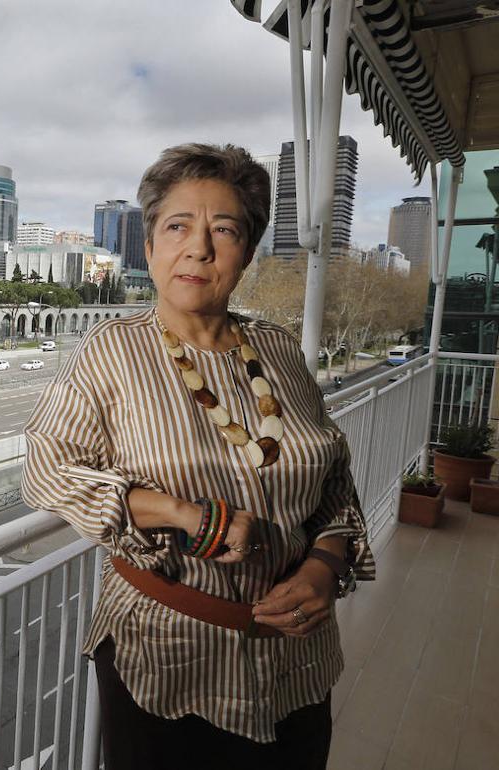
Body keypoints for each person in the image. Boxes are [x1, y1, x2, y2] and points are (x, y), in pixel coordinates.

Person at [22, 143, 373, 769]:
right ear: (151, 245)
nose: (199, 248)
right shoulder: (111, 353)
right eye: (178, 226)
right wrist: (173, 511)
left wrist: (324, 565)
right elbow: (47, 467)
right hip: (168, 661)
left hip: (297, 663)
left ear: (247, 252)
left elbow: (335, 478)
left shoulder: (279, 349)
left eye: (225, 230)